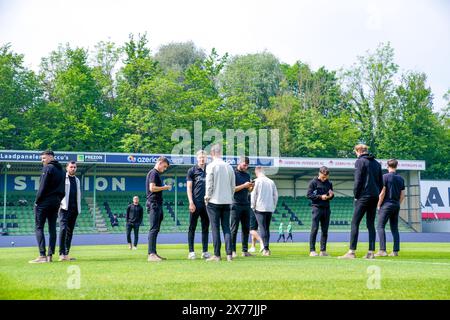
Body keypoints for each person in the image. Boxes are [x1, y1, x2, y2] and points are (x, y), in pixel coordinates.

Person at [339, 144, 383, 260]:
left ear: (358, 151)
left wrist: (356, 195)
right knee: (370, 224)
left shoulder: (360, 162)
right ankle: (371, 252)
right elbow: (381, 183)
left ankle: (351, 252)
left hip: (363, 196)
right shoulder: (377, 164)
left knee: (355, 222)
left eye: (355, 152)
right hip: (374, 196)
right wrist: (376, 192)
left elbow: (358, 180)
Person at [29, 150, 65, 264]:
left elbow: (42, 186)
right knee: (52, 228)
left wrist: (37, 201)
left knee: (39, 227)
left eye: (44, 158)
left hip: (44, 202)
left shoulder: (48, 168)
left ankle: (42, 255)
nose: (42, 160)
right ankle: (50, 255)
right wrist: (59, 200)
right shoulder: (62, 170)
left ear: (50, 157)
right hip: (56, 202)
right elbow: (63, 190)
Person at [204, 144, 235, 262]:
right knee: (226, 228)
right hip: (227, 201)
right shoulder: (229, 167)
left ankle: (217, 255)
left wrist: (207, 197)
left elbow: (209, 184)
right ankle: (229, 255)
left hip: (214, 201)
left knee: (215, 228)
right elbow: (233, 186)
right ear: (220, 153)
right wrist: (229, 197)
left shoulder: (211, 166)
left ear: (212, 154)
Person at [375, 159, 405, 257]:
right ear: (396, 166)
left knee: (380, 226)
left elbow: (382, 192)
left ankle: (382, 250)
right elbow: (402, 195)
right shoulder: (401, 179)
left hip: (386, 205)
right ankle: (395, 251)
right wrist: (397, 204)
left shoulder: (385, 177)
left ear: (387, 166)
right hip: (396, 205)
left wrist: (378, 205)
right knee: (394, 228)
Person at [186, 150, 211, 260]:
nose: (202, 159)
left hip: (207, 204)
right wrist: (191, 202)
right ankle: (191, 251)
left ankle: (205, 251)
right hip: (195, 203)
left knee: (205, 228)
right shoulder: (192, 170)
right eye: (200, 157)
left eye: (204, 157)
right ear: (197, 158)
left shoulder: (210, 169)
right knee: (192, 227)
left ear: (206, 158)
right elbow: (189, 188)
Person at [147, 156, 171, 262]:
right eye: (164, 166)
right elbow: (152, 188)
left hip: (157, 204)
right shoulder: (154, 173)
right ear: (160, 163)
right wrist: (164, 188)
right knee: (153, 229)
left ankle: (154, 253)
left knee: (156, 229)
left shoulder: (155, 174)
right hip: (154, 204)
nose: (164, 169)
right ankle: (151, 254)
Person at [307, 166, 334, 257]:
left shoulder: (329, 183)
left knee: (325, 230)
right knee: (314, 229)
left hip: (326, 208)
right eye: (323, 177)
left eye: (326, 177)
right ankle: (312, 250)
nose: (324, 179)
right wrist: (320, 197)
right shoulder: (313, 183)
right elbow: (309, 195)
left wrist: (331, 196)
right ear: (319, 173)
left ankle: (323, 251)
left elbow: (331, 195)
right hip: (317, 208)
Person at [251, 166, 278, 256]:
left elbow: (254, 195)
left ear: (256, 172)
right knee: (266, 228)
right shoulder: (271, 182)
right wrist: (273, 206)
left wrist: (253, 206)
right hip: (269, 208)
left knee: (262, 228)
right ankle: (267, 248)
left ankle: (265, 249)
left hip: (260, 207)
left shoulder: (256, 181)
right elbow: (275, 196)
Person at [230, 156, 254, 258]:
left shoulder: (247, 175)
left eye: (247, 165)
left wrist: (251, 187)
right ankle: (232, 250)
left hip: (246, 204)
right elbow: (232, 189)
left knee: (245, 228)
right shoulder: (233, 174)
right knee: (234, 229)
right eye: (244, 165)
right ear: (239, 163)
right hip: (235, 204)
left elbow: (249, 190)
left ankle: (245, 251)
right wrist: (244, 185)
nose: (246, 167)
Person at [58, 161, 81, 262]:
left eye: (75, 167)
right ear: (67, 168)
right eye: (71, 167)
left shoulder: (77, 180)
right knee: (63, 229)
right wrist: (59, 204)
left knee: (70, 232)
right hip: (64, 208)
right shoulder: (62, 178)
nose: (73, 169)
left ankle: (66, 253)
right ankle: (61, 254)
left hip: (74, 209)